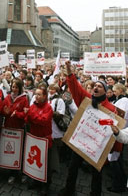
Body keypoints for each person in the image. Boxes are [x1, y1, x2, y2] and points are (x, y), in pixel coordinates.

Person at [58, 61, 123, 196]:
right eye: (95, 85)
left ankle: (95, 193)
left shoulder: (111, 109)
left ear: (105, 91)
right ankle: (69, 190)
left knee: (96, 173)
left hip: (96, 147)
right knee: (72, 167)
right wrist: (70, 72)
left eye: (99, 86)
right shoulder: (87, 100)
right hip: (81, 141)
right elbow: (76, 88)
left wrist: (114, 149)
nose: (96, 87)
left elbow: (114, 129)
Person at [25, 85, 53, 196]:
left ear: (44, 96)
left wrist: (31, 115)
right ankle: (36, 181)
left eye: (39, 94)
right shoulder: (33, 106)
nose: (36, 96)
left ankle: (45, 186)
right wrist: (29, 116)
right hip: (34, 138)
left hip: (44, 140)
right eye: (35, 94)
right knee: (36, 162)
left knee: (45, 164)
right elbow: (27, 120)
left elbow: (43, 120)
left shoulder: (48, 108)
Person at [2, 78, 29, 184]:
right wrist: (6, 112)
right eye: (13, 87)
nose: (14, 89)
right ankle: (12, 173)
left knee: (20, 151)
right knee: (11, 151)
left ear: (20, 88)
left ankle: (22, 173)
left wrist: (17, 114)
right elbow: (3, 110)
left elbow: (26, 114)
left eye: (16, 87)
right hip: (9, 128)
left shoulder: (24, 99)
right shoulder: (8, 97)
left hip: (19, 129)